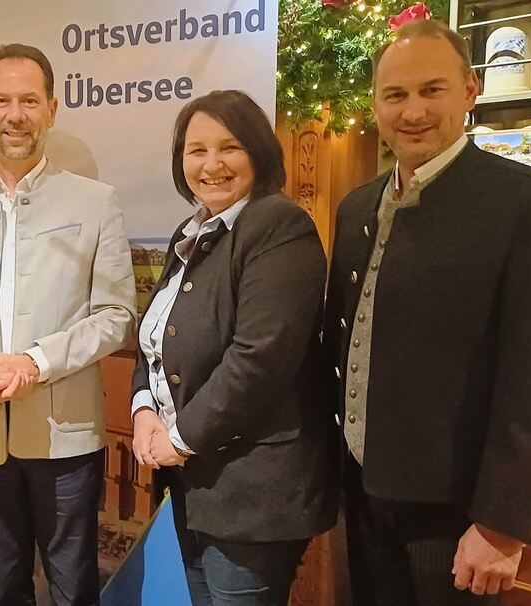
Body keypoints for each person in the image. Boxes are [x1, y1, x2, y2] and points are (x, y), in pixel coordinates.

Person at [323, 19, 531, 605]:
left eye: (431, 90)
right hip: (362, 498)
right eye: (395, 94)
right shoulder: (356, 207)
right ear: (376, 105)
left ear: (469, 90)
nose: (413, 111)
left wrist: (500, 524)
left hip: (458, 516)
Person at [0, 43, 137, 606]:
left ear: (52, 109)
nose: (16, 115)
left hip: (66, 435)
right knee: (4, 585)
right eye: (2, 101)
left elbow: (116, 315)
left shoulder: (96, 203)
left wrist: (33, 363)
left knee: (74, 585)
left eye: (30, 101)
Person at [130, 90, 338, 606]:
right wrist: (143, 409)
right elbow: (155, 337)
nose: (212, 165)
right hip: (195, 486)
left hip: (253, 494)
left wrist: (179, 439)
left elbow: (259, 358)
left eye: (229, 147)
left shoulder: (278, 225)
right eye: (196, 150)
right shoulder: (193, 231)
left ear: (258, 152)